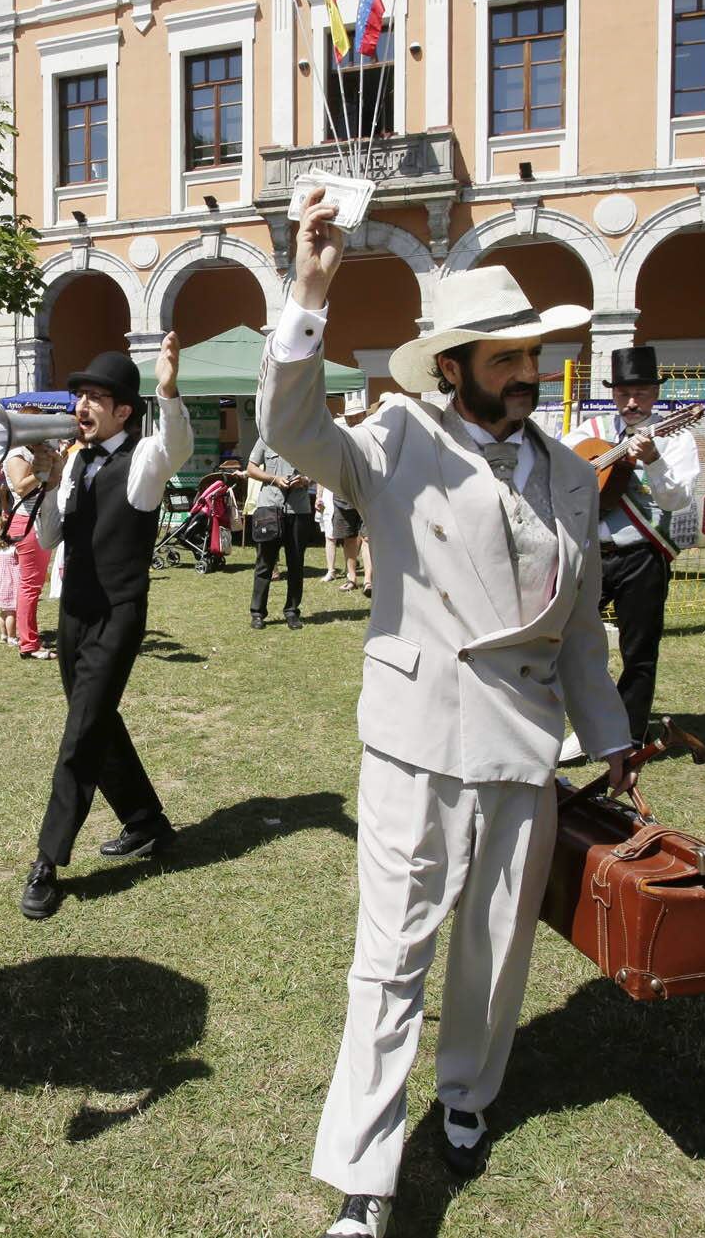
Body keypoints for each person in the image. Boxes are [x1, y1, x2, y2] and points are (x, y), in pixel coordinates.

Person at [269, 198, 633, 1237]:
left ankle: (465, 1092)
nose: (527, 372)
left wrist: (609, 743)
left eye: (533, 354)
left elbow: (573, 627)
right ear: (456, 365)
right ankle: (363, 1180)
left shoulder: (568, 472)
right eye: (507, 357)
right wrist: (308, 290)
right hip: (416, 739)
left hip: (524, 748)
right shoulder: (393, 438)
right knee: (389, 956)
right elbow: (287, 429)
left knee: (491, 948)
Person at [18, 337, 191, 922]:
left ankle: (47, 860)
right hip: (73, 615)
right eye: (81, 395)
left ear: (124, 410)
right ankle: (146, 821)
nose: (83, 404)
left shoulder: (142, 459)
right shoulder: (75, 461)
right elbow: (46, 539)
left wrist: (166, 392)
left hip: (118, 614)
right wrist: (45, 482)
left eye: (97, 397)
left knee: (81, 733)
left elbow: (177, 446)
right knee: (98, 722)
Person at [559, 346, 702, 741]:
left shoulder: (675, 438)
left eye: (640, 393)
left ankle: (628, 734)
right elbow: (560, 471)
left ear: (656, 393)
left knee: (639, 652)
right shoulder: (592, 431)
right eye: (623, 394)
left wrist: (654, 461)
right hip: (591, 556)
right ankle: (581, 722)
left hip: (642, 554)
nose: (632, 403)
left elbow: (677, 500)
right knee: (567, 640)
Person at [2, 436, 66, 660]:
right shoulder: (17, 454)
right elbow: (21, 487)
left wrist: (56, 462)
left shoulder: (34, 452)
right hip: (29, 522)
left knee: (30, 585)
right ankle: (29, 644)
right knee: (30, 586)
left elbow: (54, 483)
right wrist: (42, 470)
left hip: (39, 519)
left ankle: (25, 637)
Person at [244, 436, 316, 630]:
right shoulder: (265, 438)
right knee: (264, 563)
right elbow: (251, 468)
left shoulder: (305, 438)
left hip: (299, 510)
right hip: (269, 507)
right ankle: (257, 613)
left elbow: (318, 470)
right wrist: (274, 479)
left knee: (296, 563)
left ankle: (292, 611)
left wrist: (305, 480)